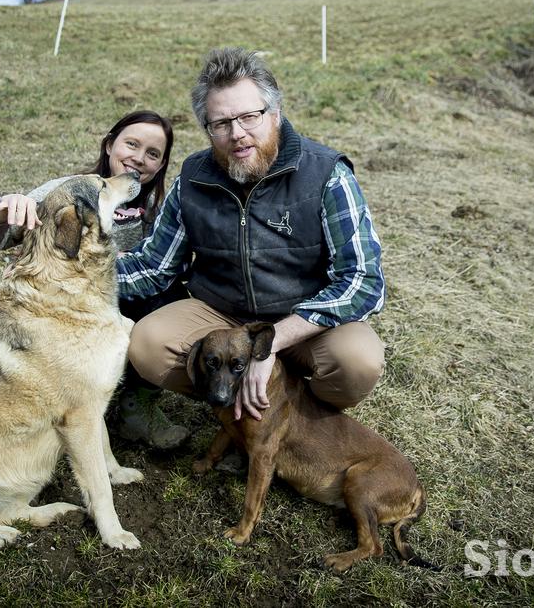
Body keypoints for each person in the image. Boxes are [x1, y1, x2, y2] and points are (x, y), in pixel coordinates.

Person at [117, 47, 386, 422]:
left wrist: (269, 345)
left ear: (275, 113)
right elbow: (153, 266)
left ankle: (292, 413)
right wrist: (67, 274)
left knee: (358, 361)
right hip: (221, 316)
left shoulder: (327, 175)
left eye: (249, 116)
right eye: (221, 123)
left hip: (305, 320)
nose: (237, 134)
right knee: (147, 343)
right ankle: (240, 407)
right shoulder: (193, 180)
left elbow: (364, 281)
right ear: (208, 128)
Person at [0, 110, 190, 448]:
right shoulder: (66, 193)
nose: (139, 159)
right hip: (58, 312)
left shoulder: (160, 212)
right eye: (132, 144)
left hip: (118, 302)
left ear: (160, 166)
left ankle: (136, 402)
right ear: (109, 145)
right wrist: (2, 210)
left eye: (153, 154)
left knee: (172, 296)